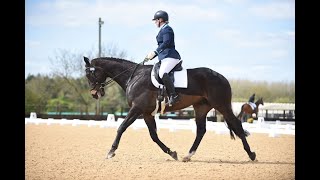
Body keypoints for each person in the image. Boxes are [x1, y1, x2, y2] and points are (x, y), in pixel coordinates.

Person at [145, 10, 181, 106]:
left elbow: (166, 43)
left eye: (156, 20)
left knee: (162, 73)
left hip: (171, 56)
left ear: (160, 20)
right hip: (165, 57)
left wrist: (155, 52)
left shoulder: (167, 29)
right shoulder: (163, 29)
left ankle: (174, 96)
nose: (155, 23)